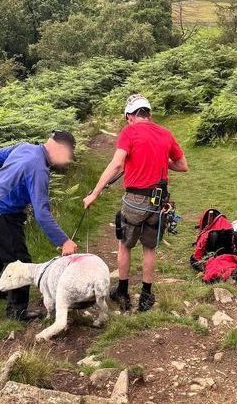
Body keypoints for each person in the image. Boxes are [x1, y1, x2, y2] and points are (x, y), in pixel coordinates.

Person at [83, 94, 189, 312]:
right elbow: (182, 165)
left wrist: (94, 193)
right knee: (149, 247)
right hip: (159, 201)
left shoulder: (129, 132)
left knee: (125, 245)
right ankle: (146, 296)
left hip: (134, 201)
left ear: (130, 115)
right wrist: (159, 160)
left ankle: (122, 292)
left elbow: (117, 164)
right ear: (148, 114)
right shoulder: (165, 133)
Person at [0, 131, 78, 321]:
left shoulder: (26, 147)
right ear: (58, 147)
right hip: (3, 212)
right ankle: (17, 311)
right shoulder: (39, 169)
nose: (66, 161)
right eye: (66, 155)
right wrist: (64, 241)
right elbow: (42, 212)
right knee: (19, 260)